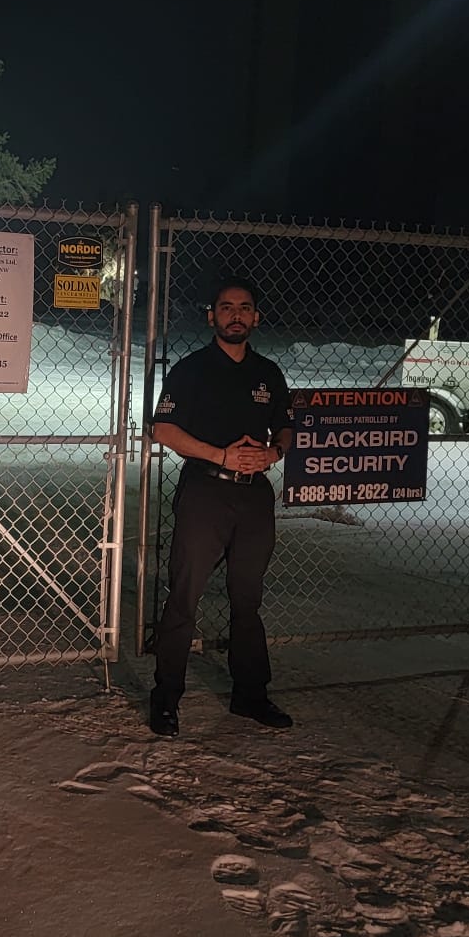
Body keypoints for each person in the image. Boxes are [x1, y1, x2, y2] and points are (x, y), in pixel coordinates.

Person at [146, 277, 294, 736]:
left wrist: (273, 453)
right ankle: (166, 699)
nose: (236, 315)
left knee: (247, 600)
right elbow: (163, 430)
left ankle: (250, 695)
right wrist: (220, 456)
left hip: (253, 498)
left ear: (256, 317)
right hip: (205, 493)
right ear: (212, 316)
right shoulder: (191, 370)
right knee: (184, 596)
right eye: (226, 307)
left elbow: (285, 427)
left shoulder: (268, 373)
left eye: (245, 307)